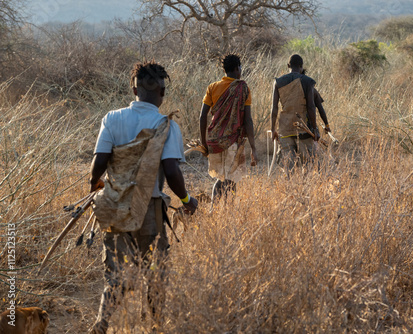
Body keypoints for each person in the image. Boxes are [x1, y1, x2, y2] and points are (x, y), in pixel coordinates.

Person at [89, 60, 198, 334]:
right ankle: (156, 327)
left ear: (133, 90)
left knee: (115, 276)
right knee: (155, 273)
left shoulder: (111, 119)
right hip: (149, 211)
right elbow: (171, 172)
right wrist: (187, 201)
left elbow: (99, 162)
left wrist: (96, 186)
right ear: (162, 93)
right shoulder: (165, 125)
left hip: (115, 209)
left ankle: (101, 326)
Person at [199, 54, 258, 203]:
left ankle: (215, 209)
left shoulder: (212, 87)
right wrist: (253, 147)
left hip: (214, 141)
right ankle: (228, 212)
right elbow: (248, 120)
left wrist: (203, 143)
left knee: (221, 179)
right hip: (233, 141)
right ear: (237, 68)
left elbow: (202, 116)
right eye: (241, 68)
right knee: (231, 180)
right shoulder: (243, 88)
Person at [270, 54, 320, 172]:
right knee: (307, 164)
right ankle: (303, 188)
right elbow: (311, 107)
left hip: (285, 129)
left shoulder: (278, 82)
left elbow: (274, 108)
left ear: (288, 66)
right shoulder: (308, 81)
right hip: (303, 129)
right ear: (301, 66)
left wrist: (273, 129)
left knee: (288, 166)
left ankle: (290, 188)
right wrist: (315, 128)